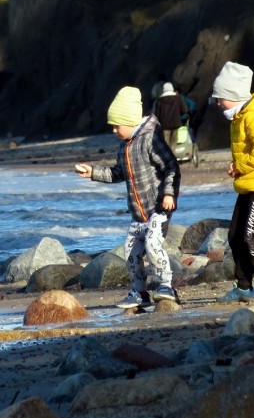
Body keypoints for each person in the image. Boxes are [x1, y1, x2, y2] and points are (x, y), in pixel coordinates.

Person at [75, 86, 181, 308]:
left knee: (153, 245)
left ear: (131, 121)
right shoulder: (124, 147)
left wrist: (169, 193)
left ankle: (166, 286)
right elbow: (118, 173)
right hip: (137, 213)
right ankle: (139, 291)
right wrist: (93, 172)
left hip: (158, 209)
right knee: (131, 252)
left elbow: (171, 166)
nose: (114, 130)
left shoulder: (150, 139)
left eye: (117, 125)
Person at [210, 62, 254, 302]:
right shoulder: (240, 117)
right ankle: (243, 285)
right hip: (248, 184)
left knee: (252, 235)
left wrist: (239, 166)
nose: (218, 102)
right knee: (235, 235)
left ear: (233, 95)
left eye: (220, 97)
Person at [153, 82, 187, 150]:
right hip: (176, 124)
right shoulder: (178, 98)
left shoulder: (159, 100)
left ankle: (168, 159)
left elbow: (157, 115)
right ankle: (173, 158)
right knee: (173, 144)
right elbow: (184, 110)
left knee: (166, 145)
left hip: (164, 126)